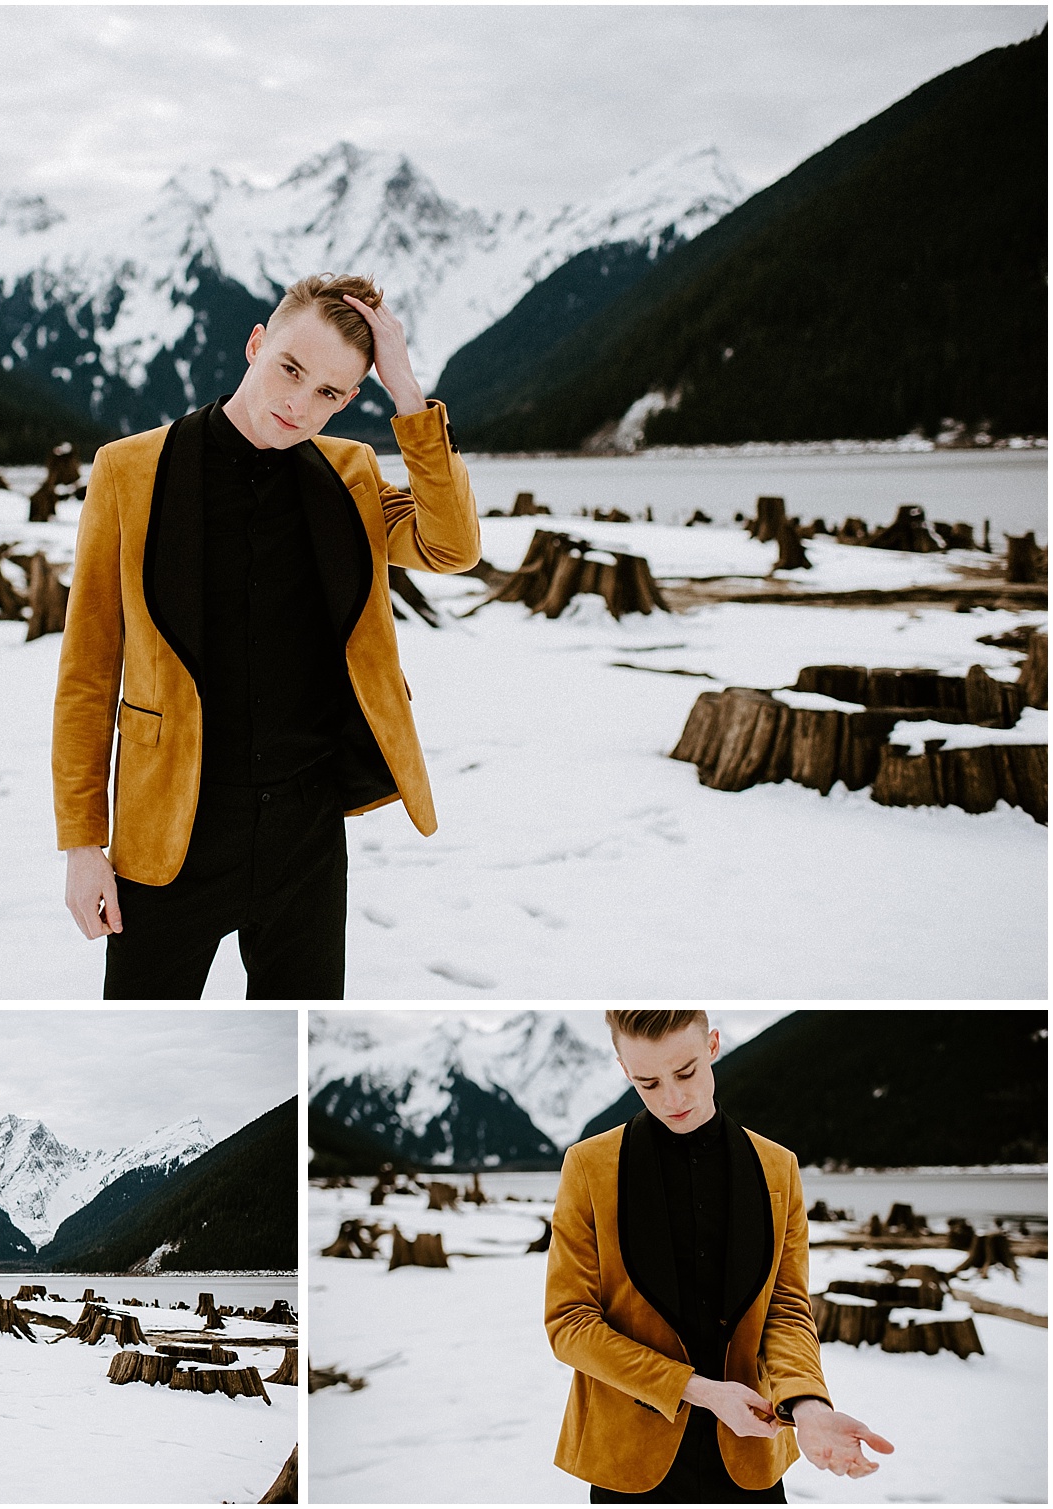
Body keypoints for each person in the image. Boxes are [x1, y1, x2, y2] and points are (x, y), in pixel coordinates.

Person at [53, 273, 479, 999]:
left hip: (305, 836)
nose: (299, 403)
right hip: (169, 831)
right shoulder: (127, 470)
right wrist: (82, 843)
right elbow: (89, 671)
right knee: (143, 1028)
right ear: (256, 343)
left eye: (331, 394)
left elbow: (452, 545)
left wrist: (406, 391)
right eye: (290, 369)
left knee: (300, 1034)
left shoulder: (350, 473)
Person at [544, 1010, 894, 1503]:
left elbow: (787, 1311)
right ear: (625, 1071)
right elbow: (570, 1324)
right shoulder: (587, 1166)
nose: (673, 1098)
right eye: (648, 1083)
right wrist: (699, 1391)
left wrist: (808, 1405)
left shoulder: (779, 1168)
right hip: (630, 1462)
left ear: (712, 1046)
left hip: (751, 1459)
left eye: (685, 1072)